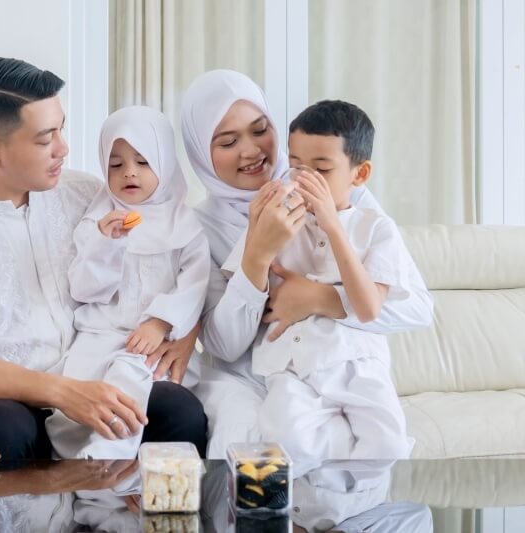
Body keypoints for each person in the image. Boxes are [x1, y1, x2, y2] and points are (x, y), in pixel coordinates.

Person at [0, 57, 207, 462]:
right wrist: (66, 394)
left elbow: (170, 262)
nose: (64, 148)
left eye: (62, 128)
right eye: (45, 140)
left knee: (176, 409)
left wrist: (184, 330)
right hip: (3, 401)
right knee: (3, 427)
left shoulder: (86, 195)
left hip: (100, 375)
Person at [179, 69, 433, 459]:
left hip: (340, 366)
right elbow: (224, 346)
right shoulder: (199, 226)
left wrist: (320, 298)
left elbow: (415, 307)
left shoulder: (336, 188)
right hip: (254, 378)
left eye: (260, 129)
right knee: (250, 433)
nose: (251, 151)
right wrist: (257, 257)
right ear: (200, 151)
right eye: (228, 141)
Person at [221, 100, 417, 465]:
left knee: (387, 446)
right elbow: (240, 297)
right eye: (295, 166)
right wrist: (258, 233)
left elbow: (369, 308)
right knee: (286, 441)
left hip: (358, 364)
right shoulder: (275, 220)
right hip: (291, 366)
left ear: (359, 174)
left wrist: (332, 224)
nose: (303, 180)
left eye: (321, 170)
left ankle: (357, 514)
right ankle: (303, 520)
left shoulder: (376, 228)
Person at [45, 106, 209, 459]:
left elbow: (194, 285)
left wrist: (160, 322)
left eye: (143, 162)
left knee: (139, 384)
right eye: (116, 164)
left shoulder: (186, 226)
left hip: (155, 345)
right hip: (99, 337)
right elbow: (85, 290)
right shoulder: (96, 222)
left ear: (164, 163)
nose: (129, 173)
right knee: (72, 419)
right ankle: (92, 484)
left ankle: (111, 457)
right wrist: (107, 244)